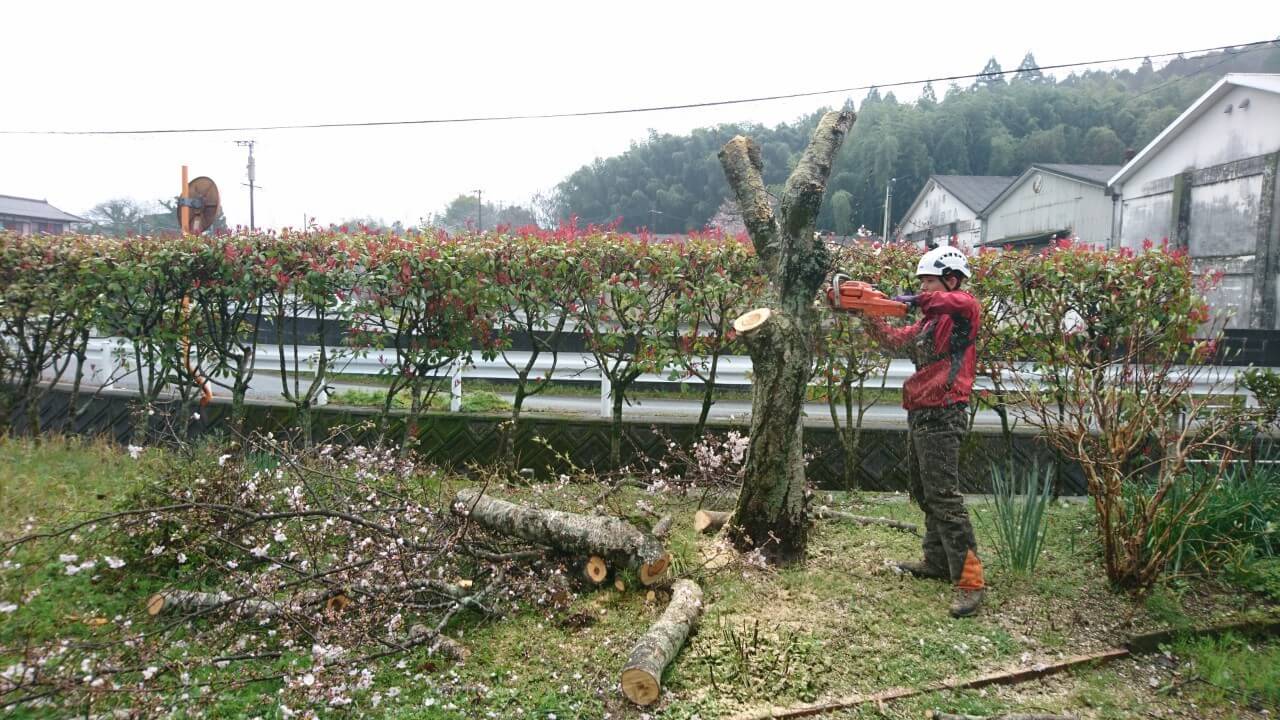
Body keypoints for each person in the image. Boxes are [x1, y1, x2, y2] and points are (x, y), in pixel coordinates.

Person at [837, 245, 986, 618]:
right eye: (920, 283)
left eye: (929, 282)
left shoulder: (964, 310)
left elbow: (952, 302)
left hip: (945, 411)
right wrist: (870, 312)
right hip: (921, 409)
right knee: (923, 491)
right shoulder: (928, 323)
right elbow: (893, 341)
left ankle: (971, 582)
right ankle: (936, 560)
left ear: (951, 280)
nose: (923, 290)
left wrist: (915, 299)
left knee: (945, 497)